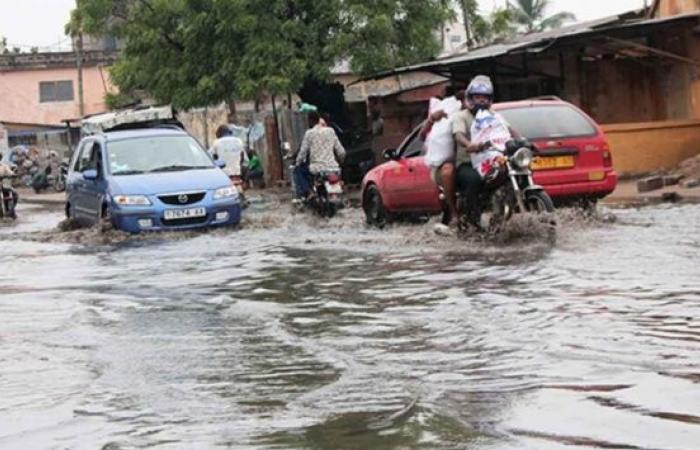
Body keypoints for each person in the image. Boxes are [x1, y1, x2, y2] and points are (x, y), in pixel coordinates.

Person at [452, 75, 517, 229]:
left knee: (513, 172)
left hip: (492, 160)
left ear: (490, 100)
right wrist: (470, 144)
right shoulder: (461, 117)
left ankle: (500, 215)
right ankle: (473, 223)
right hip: (468, 164)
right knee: (474, 180)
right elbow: (458, 135)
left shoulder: (494, 116)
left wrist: (523, 142)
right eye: (477, 97)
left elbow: (509, 130)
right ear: (470, 99)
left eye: (484, 97)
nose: (481, 101)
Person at [295, 111, 346, 200]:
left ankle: (309, 192)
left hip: (317, 169)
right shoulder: (331, 131)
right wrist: (340, 162)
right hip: (333, 168)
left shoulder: (309, 133)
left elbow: (302, 153)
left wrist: (297, 162)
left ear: (310, 121)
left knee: (298, 170)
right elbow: (341, 152)